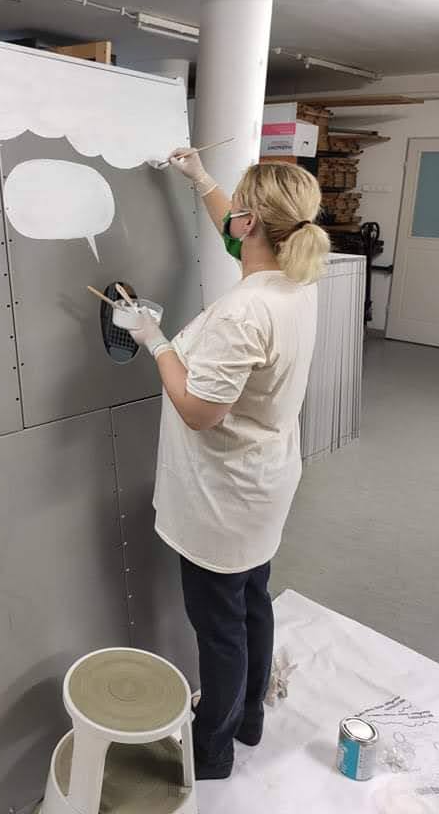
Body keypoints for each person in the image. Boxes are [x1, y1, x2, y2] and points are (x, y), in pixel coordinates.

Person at [129, 149, 330, 780]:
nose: (230, 220)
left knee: (219, 625)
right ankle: (248, 719)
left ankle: (213, 751)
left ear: (251, 223)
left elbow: (198, 411)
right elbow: (237, 233)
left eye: (236, 210)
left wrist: (156, 341)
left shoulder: (245, 312)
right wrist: (203, 180)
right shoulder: (295, 281)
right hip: (265, 480)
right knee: (252, 599)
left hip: (223, 495)